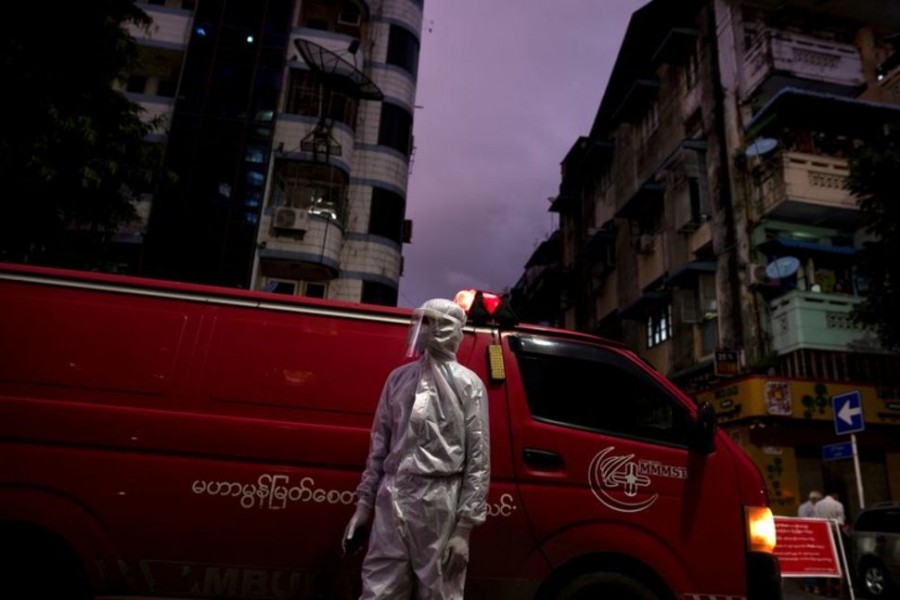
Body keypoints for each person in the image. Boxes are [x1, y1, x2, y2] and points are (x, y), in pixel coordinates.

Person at [343, 298, 491, 599]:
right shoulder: (398, 379)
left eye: (429, 322)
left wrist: (464, 529)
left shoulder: (467, 385)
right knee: (378, 590)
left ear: (448, 330)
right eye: (419, 321)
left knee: (438, 591)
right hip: (391, 496)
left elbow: (478, 457)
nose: (421, 329)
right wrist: (364, 506)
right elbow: (379, 447)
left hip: (439, 503)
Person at [814, 492, 847, 598]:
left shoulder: (818, 505)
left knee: (828, 562)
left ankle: (829, 591)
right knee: (841, 564)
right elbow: (840, 522)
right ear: (835, 497)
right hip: (836, 535)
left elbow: (816, 521)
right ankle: (841, 592)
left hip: (823, 535)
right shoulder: (838, 505)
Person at [798, 490, 823, 593]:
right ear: (814, 499)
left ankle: (811, 584)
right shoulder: (804, 508)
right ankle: (810, 584)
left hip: (815, 536)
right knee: (809, 560)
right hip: (807, 536)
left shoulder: (817, 507)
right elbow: (802, 521)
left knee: (814, 561)